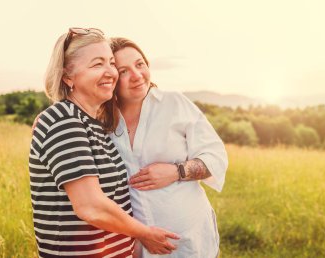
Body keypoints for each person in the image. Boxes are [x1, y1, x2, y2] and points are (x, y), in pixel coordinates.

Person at [29, 28, 179, 258]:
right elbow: (91, 206)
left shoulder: (94, 124)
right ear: (68, 76)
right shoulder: (63, 120)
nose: (110, 72)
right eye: (97, 64)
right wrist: (145, 233)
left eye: (111, 62)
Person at [100, 37, 228, 257]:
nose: (137, 75)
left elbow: (216, 158)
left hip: (189, 242)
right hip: (134, 245)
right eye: (123, 71)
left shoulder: (175, 103)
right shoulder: (100, 120)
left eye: (140, 64)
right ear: (111, 78)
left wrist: (177, 171)